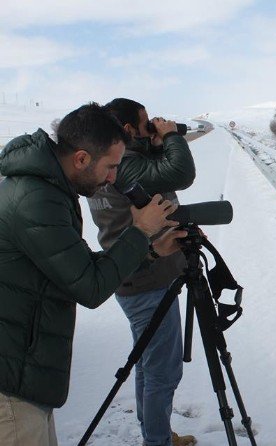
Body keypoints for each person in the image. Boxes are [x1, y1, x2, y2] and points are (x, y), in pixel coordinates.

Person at [0, 103, 183, 446]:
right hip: (10, 386)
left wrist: (152, 250)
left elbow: (84, 266)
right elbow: (90, 286)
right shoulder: (35, 199)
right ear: (82, 159)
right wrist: (141, 231)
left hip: (22, 376)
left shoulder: (47, 190)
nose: (114, 178)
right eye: (111, 167)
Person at [87, 98, 197, 446]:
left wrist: (153, 143)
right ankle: (157, 441)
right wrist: (169, 137)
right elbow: (181, 173)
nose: (152, 126)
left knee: (147, 363)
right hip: (148, 279)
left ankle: (155, 432)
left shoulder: (113, 163)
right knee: (163, 371)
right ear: (128, 130)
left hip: (136, 276)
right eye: (145, 122)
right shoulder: (128, 166)